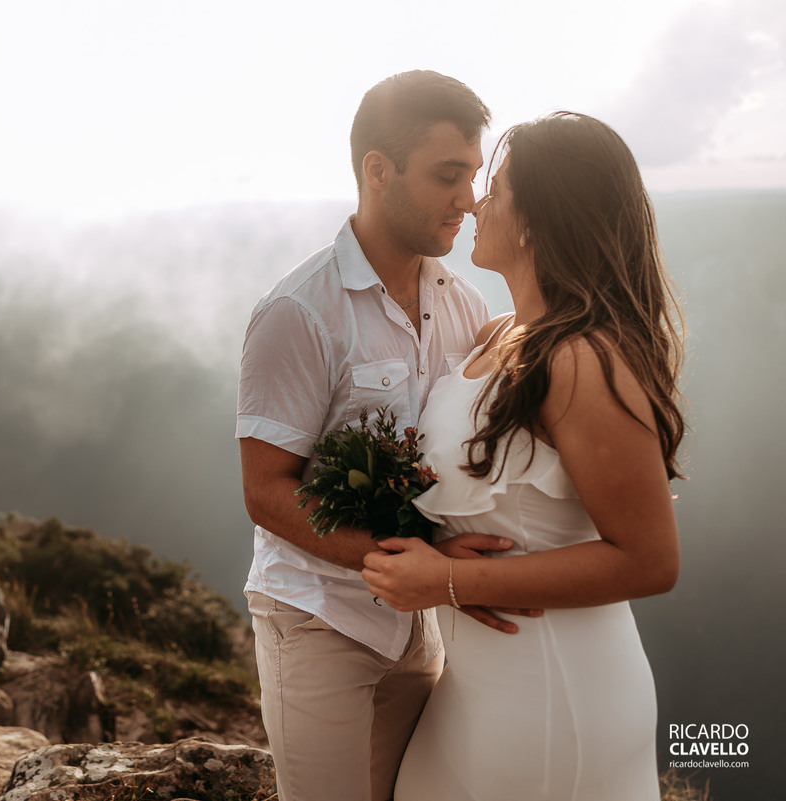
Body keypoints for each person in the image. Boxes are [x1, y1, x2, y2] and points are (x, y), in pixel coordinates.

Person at [362, 111, 685, 800]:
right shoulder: (496, 332)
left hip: (553, 696)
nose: (478, 202)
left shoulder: (583, 360)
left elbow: (650, 559)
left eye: (498, 188)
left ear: (538, 218)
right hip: (472, 690)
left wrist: (448, 583)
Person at [237, 71, 519, 801]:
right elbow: (266, 491)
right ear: (377, 170)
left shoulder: (467, 304)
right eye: (448, 176)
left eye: (475, 176)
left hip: (417, 626)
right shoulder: (297, 313)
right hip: (316, 617)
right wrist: (400, 563)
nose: (469, 198)